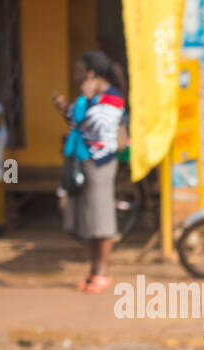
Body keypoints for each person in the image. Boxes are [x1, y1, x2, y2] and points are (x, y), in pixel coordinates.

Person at [54, 51, 124, 292]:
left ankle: (102, 273)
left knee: (102, 221)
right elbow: (75, 121)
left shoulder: (112, 97)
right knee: (89, 221)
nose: (76, 76)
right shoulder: (91, 98)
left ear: (91, 72)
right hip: (84, 161)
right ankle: (92, 271)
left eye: (79, 70)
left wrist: (87, 100)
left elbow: (103, 126)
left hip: (101, 164)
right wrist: (68, 108)